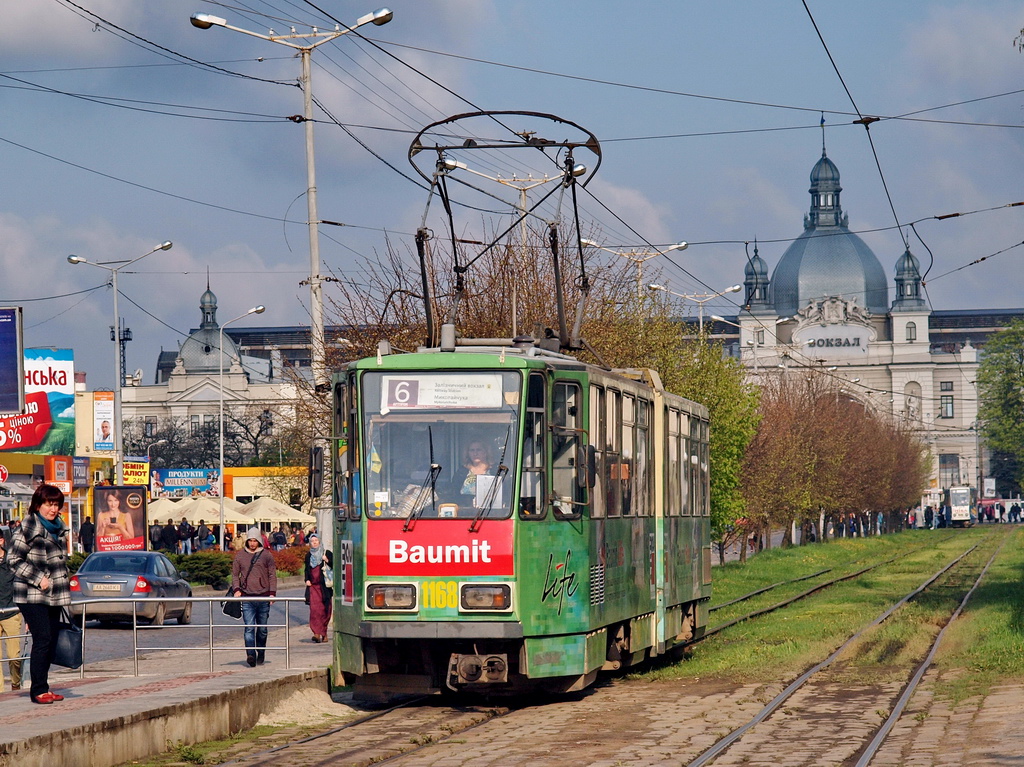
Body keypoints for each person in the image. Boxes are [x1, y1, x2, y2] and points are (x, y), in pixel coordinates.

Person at [8, 484, 71, 704]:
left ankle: (44, 686)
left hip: (53, 593)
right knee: (42, 638)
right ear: (38, 504)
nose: (52, 509)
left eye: (56, 504)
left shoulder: (58, 526)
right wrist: (38, 578)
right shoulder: (28, 525)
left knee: (51, 639)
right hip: (31, 594)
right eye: (48, 504)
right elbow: (13, 560)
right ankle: (37, 691)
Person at [230, 527, 277, 667]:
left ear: (259, 541)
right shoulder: (240, 556)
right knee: (249, 627)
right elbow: (234, 575)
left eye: (254, 541)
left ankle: (261, 651)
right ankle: (250, 654)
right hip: (247, 597)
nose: (252, 543)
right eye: (250, 540)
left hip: (263, 597)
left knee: (262, 629)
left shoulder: (266, 555)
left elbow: (272, 575)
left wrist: (272, 593)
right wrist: (236, 589)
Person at [0, 528, 24, 692]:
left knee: (14, 656)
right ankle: (1, 693)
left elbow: (23, 586)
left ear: (1, 541)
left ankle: (15, 682)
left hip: (11, 612)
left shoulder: (13, 561)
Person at [303, 533, 333, 643]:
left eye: (316, 541)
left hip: (324, 587)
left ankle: (324, 632)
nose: (314, 543)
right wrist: (307, 580)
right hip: (313, 587)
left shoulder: (327, 553)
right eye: (312, 541)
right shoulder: (308, 555)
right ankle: (316, 633)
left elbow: (336, 566)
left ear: (319, 542)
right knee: (315, 610)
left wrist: (327, 560)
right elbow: (307, 569)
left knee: (326, 610)